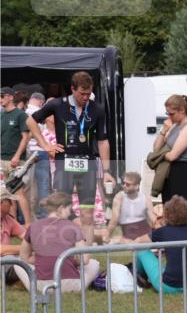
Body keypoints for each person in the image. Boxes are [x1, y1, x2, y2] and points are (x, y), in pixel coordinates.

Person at [26, 72, 116, 243]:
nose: (85, 97)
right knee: (60, 210)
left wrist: (107, 170)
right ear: (72, 89)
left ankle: (86, 256)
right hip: (64, 163)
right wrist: (45, 145)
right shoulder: (57, 104)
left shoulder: (97, 109)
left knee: (87, 214)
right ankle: (62, 249)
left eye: (88, 94)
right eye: (81, 93)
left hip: (88, 164)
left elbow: (103, 141)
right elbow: (30, 121)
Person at [13, 191, 100, 293]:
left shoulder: (34, 226)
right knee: (94, 264)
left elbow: (24, 257)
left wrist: (42, 260)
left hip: (41, 286)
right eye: (69, 209)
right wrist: (69, 261)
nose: (70, 213)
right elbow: (85, 260)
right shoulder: (72, 226)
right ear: (61, 208)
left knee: (17, 263)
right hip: (71, 285)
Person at [135, 195, 187, 293]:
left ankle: (137, 276)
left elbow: (139, 241)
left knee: (141, 249)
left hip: (171, 287)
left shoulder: (164, 231)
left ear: (167, 215)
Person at [152, 94, 187, 211]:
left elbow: (173, 156)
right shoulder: (174, 126)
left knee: (183, 214)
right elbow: (156, 149)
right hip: (169, 174)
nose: (169, 117)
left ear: (182, 110)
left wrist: (160, 155)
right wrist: (163, 130)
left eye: (171, 114)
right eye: (167, 113)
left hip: (181, 175)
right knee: (169, 213)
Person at [1, 86, 33, 225]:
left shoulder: (20, 115)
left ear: (10, 97)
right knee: (8, 194)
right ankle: (13, 224)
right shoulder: (1, 115)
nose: (0, 99)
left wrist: (17, 156)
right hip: (2, 159)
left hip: (15, 160)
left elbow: (25, 137)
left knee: (19, 192)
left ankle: (28, 223)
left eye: (2, 96)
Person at [100, 171, 155, 244]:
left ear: (137, 186)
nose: (124, 186)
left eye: (128, 184)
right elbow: (114, 220)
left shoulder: (145, 198)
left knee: (117, 240)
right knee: (102, 234)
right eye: (124, 183)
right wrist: (106, 235)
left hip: (144, 235)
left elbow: (153, 220)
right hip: (128, 235)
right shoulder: (119, 197)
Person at [24, 93, 53, 220]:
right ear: (41, 102)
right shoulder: (43, 113)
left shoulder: (22, 112)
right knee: (43, 185)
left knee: (25, 187)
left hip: (27, 153)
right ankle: (44, 214)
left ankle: (25, 216)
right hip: (41, 151)